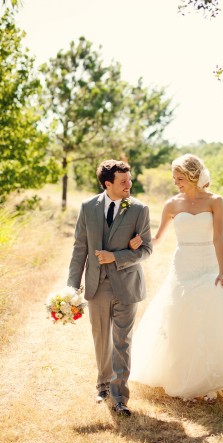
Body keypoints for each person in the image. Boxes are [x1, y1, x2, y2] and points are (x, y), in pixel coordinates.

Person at [129, 153, 223, 404]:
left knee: (213, 316)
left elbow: (218, 238)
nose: (175, 182)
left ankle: (212, 381)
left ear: (192, 176)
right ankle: (187, 381)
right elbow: (157, 239)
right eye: (174, 178)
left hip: (209, 263)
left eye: (179, 178)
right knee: (183, 318)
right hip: (183, 265)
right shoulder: (172, 204)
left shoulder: (215, 201)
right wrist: (140, 240)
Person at [67, 159, 152, 416]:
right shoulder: (87, 207)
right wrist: (71, 287)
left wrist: (117, 256)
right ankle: (103, 385)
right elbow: (79, 248)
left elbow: (146, 249)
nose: (129, 184)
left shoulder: (139, 209)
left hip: (127, 285)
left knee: (122, 342)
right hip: (97, 286)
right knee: (101, 339)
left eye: (130, 179)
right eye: (123, 181)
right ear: (108, 184)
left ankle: (119, 397)